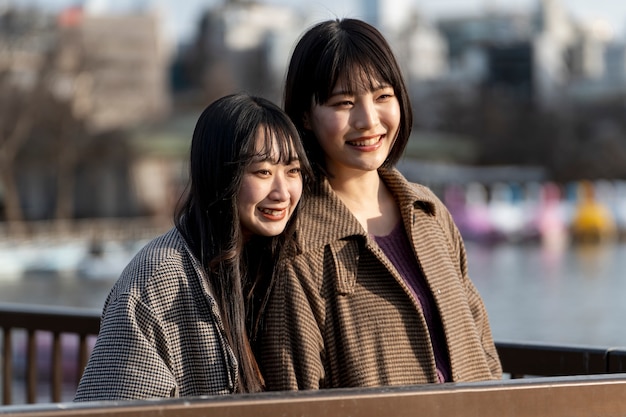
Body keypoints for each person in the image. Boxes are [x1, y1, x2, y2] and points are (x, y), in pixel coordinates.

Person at [256, 18, 502, 390]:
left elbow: (483, 352)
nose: (368, 120)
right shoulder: (297, 243)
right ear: (305, 115)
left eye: (383, 96)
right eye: (344, 103)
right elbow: (294, 394)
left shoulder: (429, 212)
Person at [74, 93, 311, 401]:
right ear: (220, 174)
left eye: (292, 171)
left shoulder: (283, 260)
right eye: (263, 172)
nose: (283, 192)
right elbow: (111, 407)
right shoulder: (157, 278)